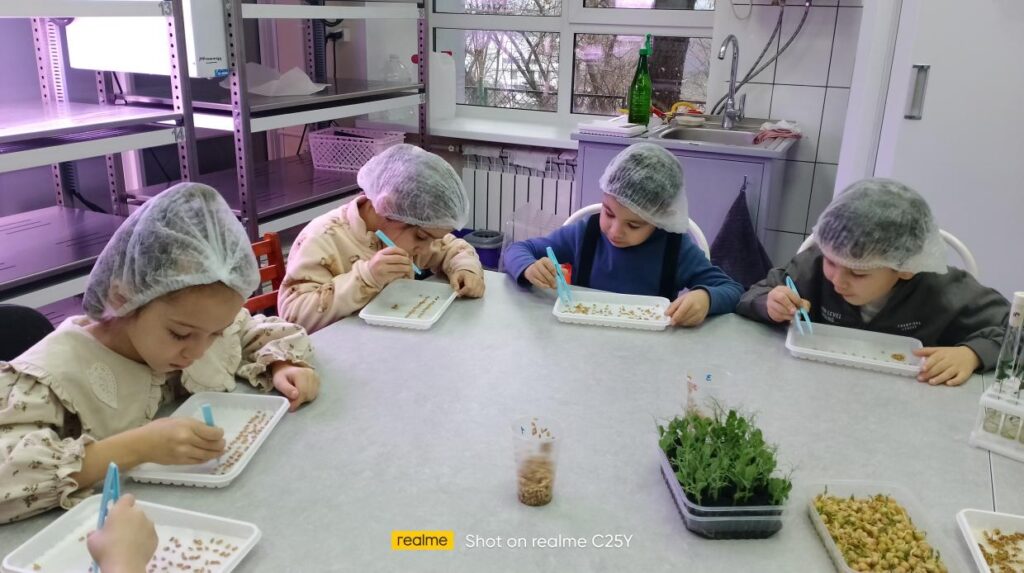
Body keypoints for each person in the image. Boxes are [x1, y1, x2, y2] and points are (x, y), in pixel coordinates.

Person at [0, 183, 319, 523]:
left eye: (215, 333)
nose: (198, 351)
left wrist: (282, 364)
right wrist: (137, 447)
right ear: (123, 298)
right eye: (180, 334)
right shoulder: (54, 376)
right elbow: (8, 475)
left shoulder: (197, 324)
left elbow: (252, 330)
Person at [737, 178, 1010, 386]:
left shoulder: (944, 291)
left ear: (905, 268)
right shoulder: (812, 267)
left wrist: (972, 354)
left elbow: (1016, 332)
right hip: (818, 390)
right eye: (831, 262)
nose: (838, 281)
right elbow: (752, 294)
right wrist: (769, 303)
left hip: (908, 405)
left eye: (858, 274)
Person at [503, 143, 743, 326]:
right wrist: (528, 268)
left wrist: (705, 298)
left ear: (659, 219)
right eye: (608, 213)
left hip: (649, 351)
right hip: (584, 343)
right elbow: (517, 249)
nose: (615, 231)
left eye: (634, 225)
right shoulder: (585, 234)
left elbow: (732, 290)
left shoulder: (675, 249)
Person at [279, 144, 484, 333]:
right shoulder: (322, 239)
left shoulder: (407, 235)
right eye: (422, 237)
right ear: (387, 207)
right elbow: (293, 317)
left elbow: (453, 249)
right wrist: (366, 277)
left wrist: (466, 269)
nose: (426, 248)